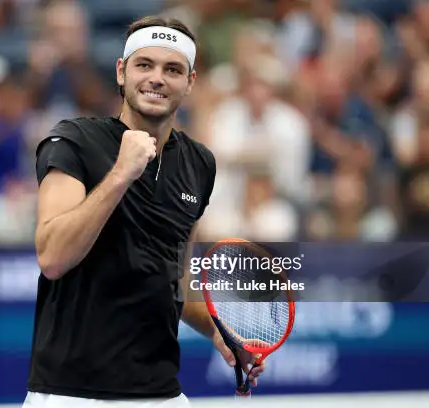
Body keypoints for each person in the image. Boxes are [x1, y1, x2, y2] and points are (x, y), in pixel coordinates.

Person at [23, 16, 265, 408]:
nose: (157, 78)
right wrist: (121, 174)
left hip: (161, 394)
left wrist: (219, 331)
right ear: (122, 72)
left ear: (190, 82)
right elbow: (52, 257)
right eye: (144, 65)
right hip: (70, 394)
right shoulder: (73, 141)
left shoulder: (199, 163)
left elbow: (176, 278)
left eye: (172, 69)